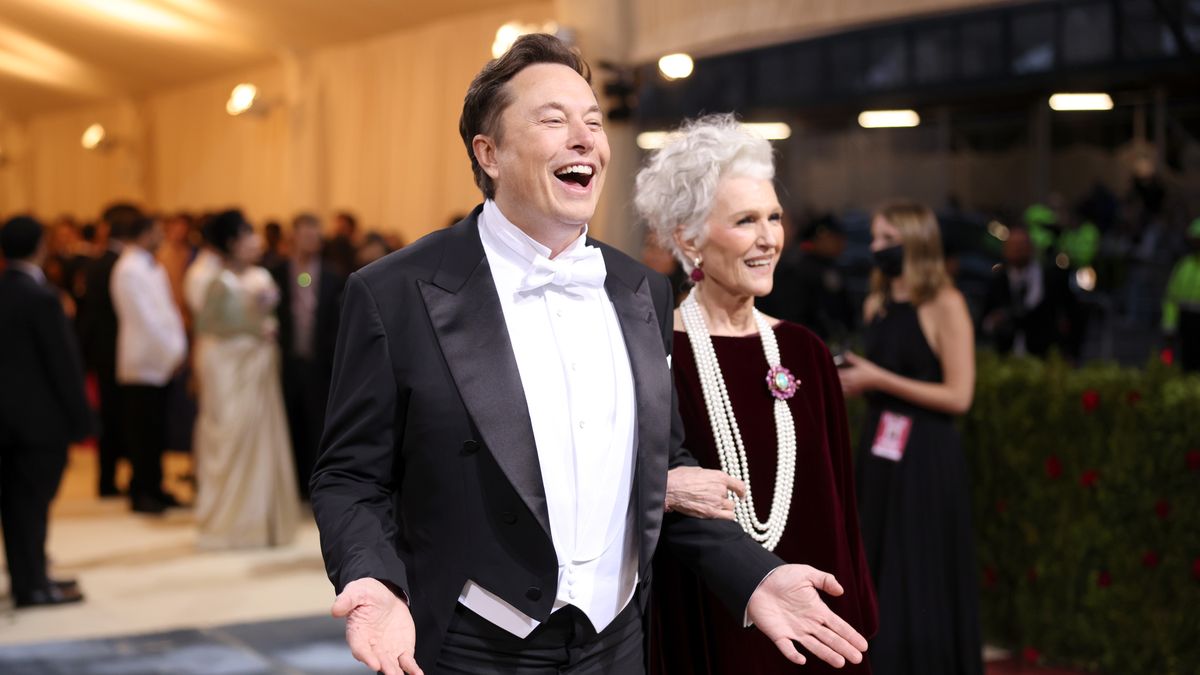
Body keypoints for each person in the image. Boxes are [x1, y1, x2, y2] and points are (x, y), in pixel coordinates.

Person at [310, 34, 868, 675]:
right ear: (487, 152)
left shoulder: (642, 292)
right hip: (470, 645)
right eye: (553, 120)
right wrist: (374, 579)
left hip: (618, 642)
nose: (585, 140)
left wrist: (752, 576)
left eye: (594, 123)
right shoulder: (394, 294)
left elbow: (665, 465)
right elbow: (349, 477)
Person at [635, 115, 877, 675]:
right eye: (745, 221)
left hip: (823, 625)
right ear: (687, 238)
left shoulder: (806, 350)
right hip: (708, 620)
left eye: (773, 217)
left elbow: (841, 506)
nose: (769, 238)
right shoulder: (655, 351)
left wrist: (860, 615)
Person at [838, 201, 982, 675]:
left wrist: (879, 378)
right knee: (878, 561)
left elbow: (960, 395)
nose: (876, 249)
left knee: (920, 566)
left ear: (916, 243)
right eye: (875, 239)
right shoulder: (877, 302)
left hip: (927, 456)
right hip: (879, 453)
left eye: (887, 240)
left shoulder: (945, 303)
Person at [192, 210, 300, 549]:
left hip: (258, 365)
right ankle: (229, 524)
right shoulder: (216, 280)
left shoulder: (262, 275)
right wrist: (256, 327)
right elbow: (208, 326)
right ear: (231, 242)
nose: (254, 241)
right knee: (231, 436)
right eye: (246, 235)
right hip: (229, 365)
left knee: (261, 436)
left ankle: (260, 524)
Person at [0, 216, 91, 607]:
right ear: (40, 246)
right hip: (39, 422)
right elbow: (63, 365)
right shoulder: (43, 297)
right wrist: (82, 418)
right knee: (33, 506)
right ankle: (33, 584)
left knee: (16, 507)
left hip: (6, 422)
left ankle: (33, 575)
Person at [111, 215, 188, 514]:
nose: (162, 237)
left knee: (156, 430)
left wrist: (174, 350)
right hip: (144, 360)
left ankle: (155, 485)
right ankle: (141, 489)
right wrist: (172, 350)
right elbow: (146, 319)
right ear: (144, 234)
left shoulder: (149, 264)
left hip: (160, 359)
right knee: (142, 431)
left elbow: (167, 311)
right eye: (158, 232)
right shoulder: (129, 269)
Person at [270, 213, 345, 499]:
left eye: (315, 235)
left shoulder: (332, 275)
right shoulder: (276, 272)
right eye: (305, 235)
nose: (310, 240)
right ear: (294, 236)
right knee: (288, 423)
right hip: (286, 361)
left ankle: (314, 487)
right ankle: (290, 485)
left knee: (317, 425)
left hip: (319, 364)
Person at [77, 203, 139, 498]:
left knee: (109, 417)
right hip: (122, 349)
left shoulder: (96, 262)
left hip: (102, 350)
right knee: (124, 417)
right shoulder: (126, 265)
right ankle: (118, 478)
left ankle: (106, 479)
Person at [980, 227, 1076, 358]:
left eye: (1022, 245)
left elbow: (1070, 316)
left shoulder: (1051, 279)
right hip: (1005, 356)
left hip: (1043, 355)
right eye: (1013, 246)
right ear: (1005, 250)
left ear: (1031, 248)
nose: (1018, 250)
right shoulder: (997, 281)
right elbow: (985, 320)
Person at [758, 213, 855, 344]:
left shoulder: (830, 265)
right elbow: (793, 314)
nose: (841, 243)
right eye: (835, 238)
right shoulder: (799, 268)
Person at [1162, 218, 1200, 371]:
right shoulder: (1184, 265)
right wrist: (1169, 325)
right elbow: (1171, 298)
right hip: (1186, 320)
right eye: (1195, 240)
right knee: (1186, 363)